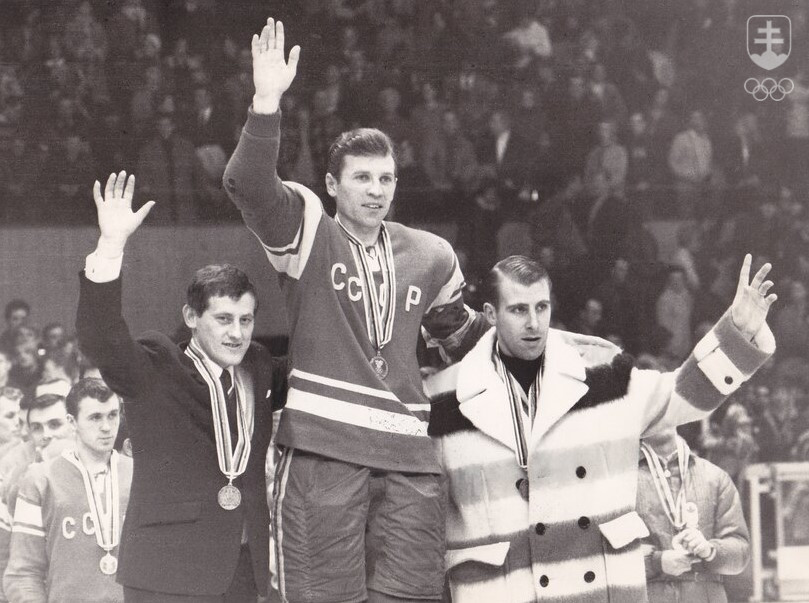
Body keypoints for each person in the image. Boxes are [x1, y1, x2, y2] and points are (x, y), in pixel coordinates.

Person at [224, 19, 486, 603]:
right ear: (331, 184)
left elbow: (462, 340)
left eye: (387, 178)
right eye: (362, 178)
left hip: (411, 457)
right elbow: (246, 183)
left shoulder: (432, 253)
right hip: (323, 449)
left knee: (414, 596)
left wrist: (553, 345)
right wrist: (266, 103)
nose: (376, 189)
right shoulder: (308, 230)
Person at [425, 254, 775, 603]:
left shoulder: (604, 374)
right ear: (489, 314)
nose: (534, 322)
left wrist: (738, 332)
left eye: (542, 307)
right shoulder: (443, 399)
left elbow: (682, 396)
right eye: (518, 310)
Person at [76, 172, 287, 601]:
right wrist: (110, 246)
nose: (237, 333)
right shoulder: (157, 367)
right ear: (192, 318)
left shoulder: (261, 367)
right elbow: (103, 338)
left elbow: (320, 366)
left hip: (243, 569)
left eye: (245, 320)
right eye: (223, 319)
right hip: (166, 574)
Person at [3, 379, 133, 602]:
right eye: (95, 417)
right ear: (72, 422)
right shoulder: (39, 479)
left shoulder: (139, 475)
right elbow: (23, 573)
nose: (106, 427)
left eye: (112, 415)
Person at [637, 429, 750, 603]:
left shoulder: (716, 478)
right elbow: (608, 556)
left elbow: (741, 554)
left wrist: (710, 550)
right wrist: (655, 562)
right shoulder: (623, 483)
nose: (661, 415)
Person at [0, 394, 74, 601]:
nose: (46, 435)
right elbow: (5, 559)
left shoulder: (111, 468)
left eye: (55, 424)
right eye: (37, 428)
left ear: (73, 423)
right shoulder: (16, 473)